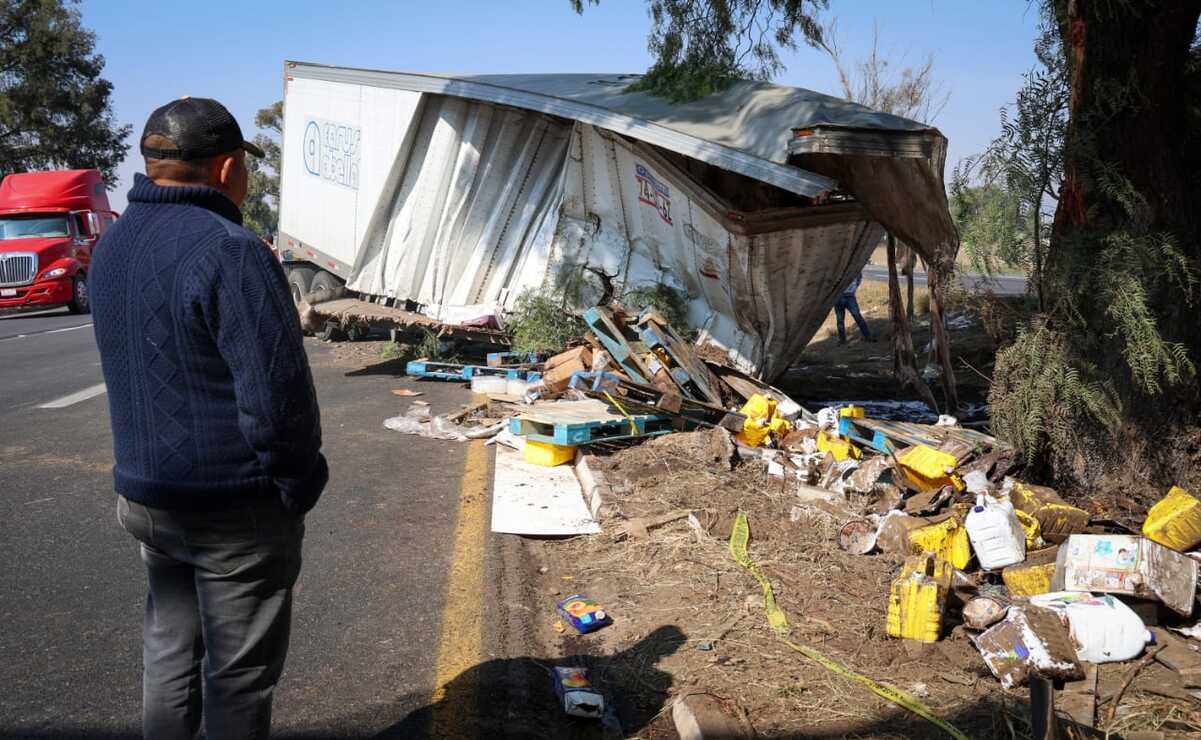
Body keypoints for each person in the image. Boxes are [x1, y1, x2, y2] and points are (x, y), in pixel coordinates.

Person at [91, 97, 327, 740]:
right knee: (238, 678)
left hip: (147, 496)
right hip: (231, 507)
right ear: (226, 171)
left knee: (169, 654)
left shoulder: (113, 246)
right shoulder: (231, 250)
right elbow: (278, 398)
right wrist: (298, 483)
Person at [834, 270, 875, 344]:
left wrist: (853, 290)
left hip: (850, 297)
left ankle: (868, 336)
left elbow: (859, 280)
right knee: (840, 320)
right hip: (839, 297)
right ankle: (842, 340)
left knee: (857, 317)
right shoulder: (840, 269)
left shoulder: (856, 269)